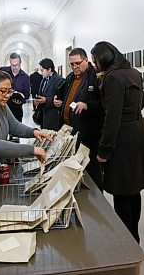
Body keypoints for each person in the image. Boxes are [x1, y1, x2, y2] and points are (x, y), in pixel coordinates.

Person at [90, 41, 144, 243]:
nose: (95, 65)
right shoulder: (132, 72)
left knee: (121, 190)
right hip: (137, 134)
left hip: (121, 139)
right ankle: (134, 235)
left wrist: (104, 150)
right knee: (133, 188)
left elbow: (112, 117)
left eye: (95, 60)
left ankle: (126, 239)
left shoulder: (112, 77)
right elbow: (141, 103)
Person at [0, 68, 52, 168]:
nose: (7, 96)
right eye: (3, 91)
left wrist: (34, 132)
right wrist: (31, 150)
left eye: (9, 91)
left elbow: (13, 126)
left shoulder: (0, 103)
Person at [53, 48, 105, 190]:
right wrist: (59, 103)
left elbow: (104, 104)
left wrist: (87, 105)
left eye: (77, 63)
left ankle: (97, 201)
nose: (75, 67)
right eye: (72, 64)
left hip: (89, 133)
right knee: (74, 168)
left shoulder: (95, 77)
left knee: (92, 171)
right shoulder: (70, 78)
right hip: (70, 131)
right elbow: (67, 98)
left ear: (86, 61)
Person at [33, 58, 65, 130]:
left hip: (53, 116)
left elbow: (60, 99)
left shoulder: (59, 80)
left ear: (49, 69)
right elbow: (41, 93)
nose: (41, 73)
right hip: (43, 115)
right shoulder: (44, 79)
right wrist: (38, 100)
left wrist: (46, 100)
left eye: (42, 70)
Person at [0, 52, 30, 122]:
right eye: (12, 65)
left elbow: (27, 94)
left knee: (16, 132)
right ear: (10, 63)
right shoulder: (2, 71)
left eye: (17, 65)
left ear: (20, 63)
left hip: (16, 110)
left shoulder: (25, 77)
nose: (15, 67)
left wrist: (21, 100)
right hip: (2, 109)